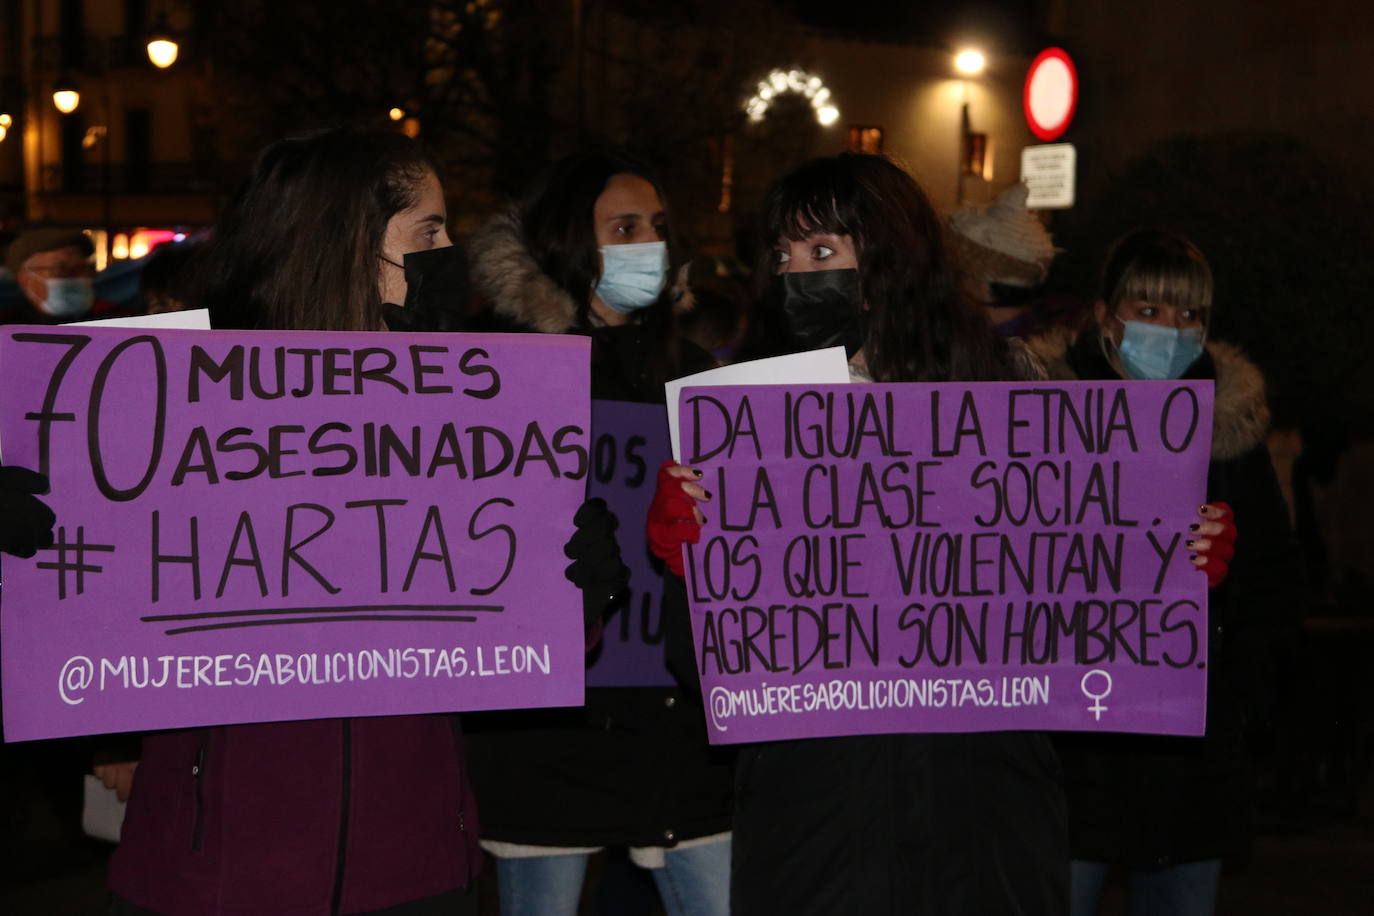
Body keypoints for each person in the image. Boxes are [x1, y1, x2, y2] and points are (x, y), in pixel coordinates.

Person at [648, 155, 1237, 915]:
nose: (796, 274)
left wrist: (1172, 568)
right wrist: (684, 567)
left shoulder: (1012, 399)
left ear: (892, 258)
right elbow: (704, 672)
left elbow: (1086, 626)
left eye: (822, 251)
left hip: (982, 825)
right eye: (783, 255)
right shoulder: (742, 418)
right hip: (818, 826)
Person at [89, 127, 625, 916]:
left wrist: (580, 582)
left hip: (411, 868)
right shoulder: (177, 398)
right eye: (430, 231)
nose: (451, 252)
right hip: (222, 872)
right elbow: (91, 619)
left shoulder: (474, 405)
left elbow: (520, 650)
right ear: (345, 239)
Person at [463, 151, 734, 916]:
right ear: (567, 245)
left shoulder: (690, 372)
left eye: (657, 226)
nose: (649, 242)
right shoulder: (497, 369)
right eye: (623, 227)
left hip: (676, 735)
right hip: (552, 736)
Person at [1026, 229, 1302, 916]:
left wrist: (1223, 584)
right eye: (1149, 310)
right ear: (1104, 316)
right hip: (1071, 750)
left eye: (1189, 316)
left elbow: (1275, 587)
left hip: (1191, 763)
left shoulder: (1229, 435)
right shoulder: (1038, 421)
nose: (1171, 331)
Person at [1, 228, 133, 324]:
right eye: (60, 269)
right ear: (25, 279)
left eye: (82, 268)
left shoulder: (117, 324)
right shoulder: (6, 331)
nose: (75, 277)